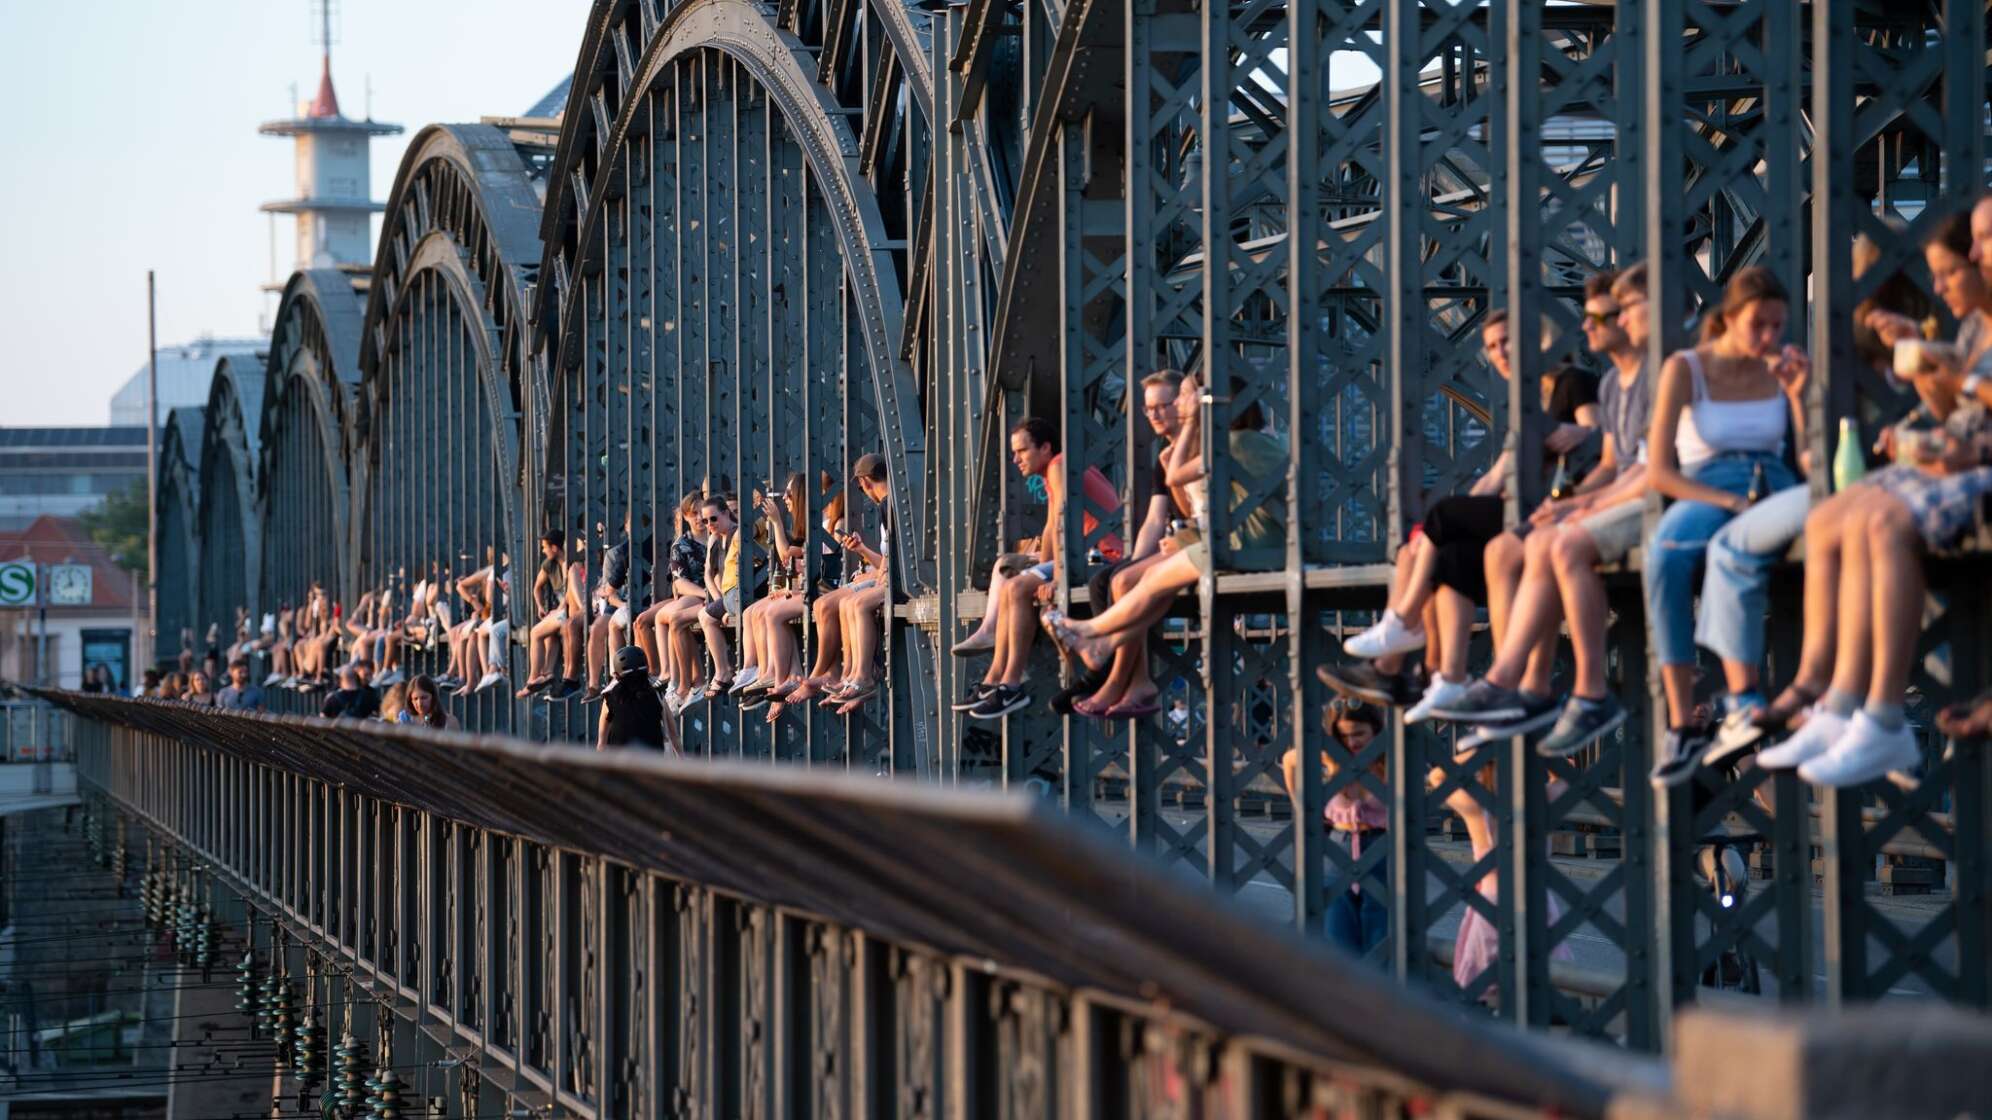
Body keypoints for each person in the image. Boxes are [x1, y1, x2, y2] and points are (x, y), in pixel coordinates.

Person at [1696, 211, 1992, 765]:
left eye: (1975, 249)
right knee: (1831, 515)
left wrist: (1955, 383)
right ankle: (1826, 694)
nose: (1968, 263)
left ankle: (1881, 716)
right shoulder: (1976, 326)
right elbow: (1955, 411)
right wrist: (1927, 367)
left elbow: (1970, 407)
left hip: (1974, 466)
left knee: (1877, 519)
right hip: (1952, 457)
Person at [1424, 266, 1657, 753]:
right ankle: (1516, 687)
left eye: (1602, 317)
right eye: (1491, 347)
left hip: (1653, 499)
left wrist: (1577, 501)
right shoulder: (1613, 384)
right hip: (1605, 495)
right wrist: (1569, 502)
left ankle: (1519, 683)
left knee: (1537, 538)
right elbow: (1612, 464)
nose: (1588, 327)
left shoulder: (1617, 378)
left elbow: (1641, 463)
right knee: (1505, 549)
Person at [1332, 303, 1603, 722]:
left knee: (1442, 519)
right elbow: (1497, 476)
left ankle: (1402, 624)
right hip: (1524, 509)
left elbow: (1600, 438)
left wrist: (1577, 434)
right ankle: (1446, 677)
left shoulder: (1572, 381)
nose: (1499, 353)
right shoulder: (1529, 399)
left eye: (1508, 341)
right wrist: (1440, 527)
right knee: (1446, 555)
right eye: (1492, 347)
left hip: (1555, 510)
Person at [1637, 266, 1808, 782]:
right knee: (1666, 554)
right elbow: (1660, 472)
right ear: (1729, 318)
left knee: (1736, 555)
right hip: (1708, 482)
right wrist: (1727, 503)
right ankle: (1681, 721)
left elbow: (1809, 458)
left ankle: (1749, 700)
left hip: (1774, 478)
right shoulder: (1687, 368)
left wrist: (1799, 393)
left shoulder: (1784, 367)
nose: (1769, 337)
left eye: (1778, 326)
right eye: (1759, 324)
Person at [1043, 374, 1288, 704]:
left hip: (1242, 546)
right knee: (1140, 581)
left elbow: (1180, 481)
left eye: (1183, 398)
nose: (1178, 407)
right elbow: (1183, 508)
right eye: (1150, 408)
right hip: (1229, 541)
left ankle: (1094, 636)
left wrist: (1188, 428)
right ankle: (1103, 648)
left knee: (1145, 583)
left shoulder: (1232, 443)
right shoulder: (1234, 442)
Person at [957, 417, 1125, 720]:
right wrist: (1045, 568)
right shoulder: (1054, 470)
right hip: (1087, 554)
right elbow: (1050, 528)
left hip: (1104, 557)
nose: (1015, 459)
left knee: (1017, 587)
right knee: (1013, 577)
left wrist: (1057, 576)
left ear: (1045, 448)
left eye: (1022, 451)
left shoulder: (1060, 466)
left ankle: (1010, 683)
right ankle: (997, 678)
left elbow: (1062, 523)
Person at [1279, 701, 1389, 957]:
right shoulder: (1332, 757)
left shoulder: (1389, 761)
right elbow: (1289, 760)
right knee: (1338, 938)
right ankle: (1345, 996)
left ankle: (1376, 996)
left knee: (1379, 939)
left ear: (1376, 730)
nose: (1351, 742)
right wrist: (1301, 806)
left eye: (1359, 733)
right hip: (1337, 850)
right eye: (1344, 734)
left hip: (1380, 849)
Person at [518, 529, 570, 697]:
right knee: (549, 634)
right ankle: (547, 674)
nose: (543, 551)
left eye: (544, 547)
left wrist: (559, 609)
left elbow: (572, 593)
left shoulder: (569, 564)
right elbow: (537, 588)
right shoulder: (549, 564)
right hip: (563, 611)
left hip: (570, 610)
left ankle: (532, 679)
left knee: (535, 633)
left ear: (554, 548)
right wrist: (540, 606)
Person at [598, 645, 678, 752]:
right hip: (652, 761)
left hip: (620, 762)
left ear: (617, 675)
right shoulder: (656, 693)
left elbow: (601, 743)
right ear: (646, 669)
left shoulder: (610, 697)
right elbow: (673, 734)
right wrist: (681, 759)